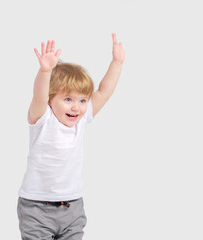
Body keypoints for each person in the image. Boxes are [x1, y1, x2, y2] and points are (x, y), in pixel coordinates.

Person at [17, 33, 125, 240]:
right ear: (51, 99)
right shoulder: (42, 117)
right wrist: (45, 71)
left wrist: (117, 63)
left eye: (83, 100)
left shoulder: (81, 119)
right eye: (68, 99)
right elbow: (39, 95)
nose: (76, 107)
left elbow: (103, 92)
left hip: (73, 207)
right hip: (37, 208)